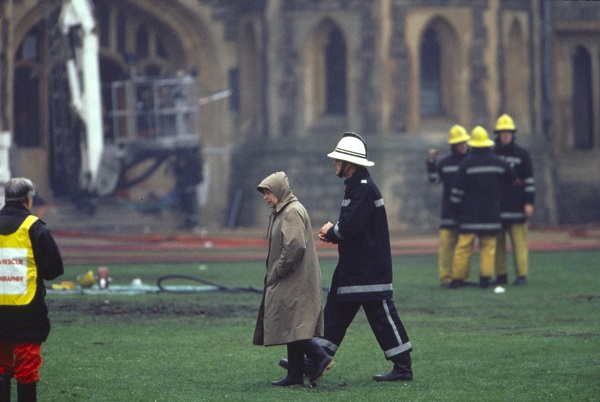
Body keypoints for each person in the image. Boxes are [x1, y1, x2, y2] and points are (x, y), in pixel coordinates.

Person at [316, 132, 413, 382]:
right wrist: (336, 232)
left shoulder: (363, 189)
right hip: (355, 267)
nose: (334, 164)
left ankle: (403, 367)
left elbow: (350, 227)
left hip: (368, 270)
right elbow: (351, 226)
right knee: (335, 312)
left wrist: (331, 231)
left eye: (338, 160)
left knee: (382, 316)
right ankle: (316, 359)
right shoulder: (357, 187)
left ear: (350, 165)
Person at [252, 172, 333, 387]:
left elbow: (295, 246)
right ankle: (295, 375)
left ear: (279, 190)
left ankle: (320, 357)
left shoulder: (291, 212)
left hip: (296, 278)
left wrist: (277, 271)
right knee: (292, 323)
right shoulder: (286, 210)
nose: (265, 197)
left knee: (295, 325)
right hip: (295, 278)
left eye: (268, 192)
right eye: (264, 193)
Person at [0, 178, 64, 402]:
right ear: (29, 199)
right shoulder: (34, 227)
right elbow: (55, 269)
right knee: (27, 367)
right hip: (27, 313)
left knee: (0, 367)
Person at [449, 127, 513, 288]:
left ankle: (458, 279)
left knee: (463, 247)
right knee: (488, 247)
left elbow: (456, 192)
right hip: (491, 214)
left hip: (468, 215)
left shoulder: (465, 164)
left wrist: (455, 209)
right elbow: (511, 182)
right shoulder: (500, 164)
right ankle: (485, 279)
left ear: (473, 146)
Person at [492, 114, 535, 286]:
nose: (505, 135)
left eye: (508, 132)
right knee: (498, 245)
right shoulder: (492, 153)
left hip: (517, 205)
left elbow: (529, 180)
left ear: (512, 133)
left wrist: (529, 202)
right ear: (498, 134)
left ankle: (521, 275)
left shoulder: (522, 154)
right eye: (502, 132)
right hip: (497, 206)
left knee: (519, 243)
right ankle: (501, 275)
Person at [427, 125, 472, 287]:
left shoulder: (472, 161)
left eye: (464, 142)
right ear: (453, 145)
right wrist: (431, 163)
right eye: (459, 143)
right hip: (448, 211)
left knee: (465, 247)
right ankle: (446, 278)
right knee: (446, 246)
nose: (462, 146)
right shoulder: (445, 163)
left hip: (467, 211)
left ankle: (462, 278)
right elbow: (434, 180)